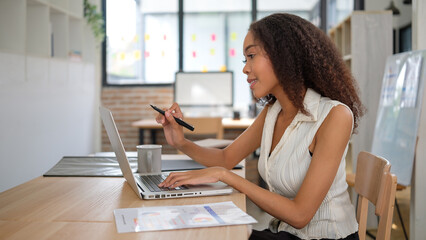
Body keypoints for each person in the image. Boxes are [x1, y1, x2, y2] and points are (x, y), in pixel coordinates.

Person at [156, 13, 364, 240]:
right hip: (286, 233)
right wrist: (181, 142)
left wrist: (224, 176)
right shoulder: (273, 112)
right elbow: (226, 159)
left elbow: (300, 214)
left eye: (251, 56)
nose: (245, 68)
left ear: (284, 55)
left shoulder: (334, 116)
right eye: (245, 59)